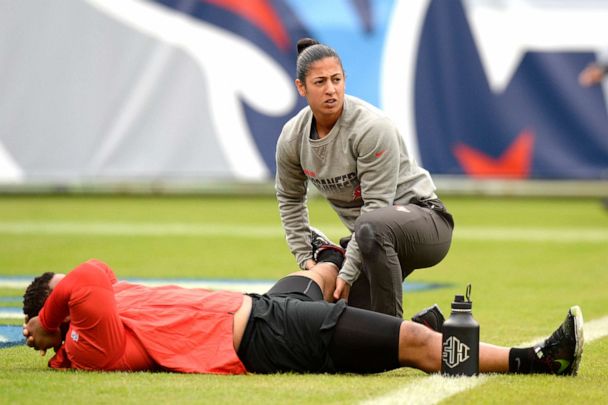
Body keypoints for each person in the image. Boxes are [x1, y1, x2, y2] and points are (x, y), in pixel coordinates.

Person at [22, 258, 584, 376]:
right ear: (56, 321)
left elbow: (94, 275)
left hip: (264, 310)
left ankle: (400, 325)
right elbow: (87, 278)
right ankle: (538, 359)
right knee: (415, 342)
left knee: (322, 267)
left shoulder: (102, 310)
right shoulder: (91, 345)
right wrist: (48, 322)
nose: (65, 290)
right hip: (267, 337)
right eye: (57, 301)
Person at [275, 38, 454, 318]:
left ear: (345, 79)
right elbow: (289, 197)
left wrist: (347, 273)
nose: (331, 89)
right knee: (341, 322)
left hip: (426, 223)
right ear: (301, 88)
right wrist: (305, 258)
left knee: (371, 226)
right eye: (320, 82)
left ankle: (393, 334)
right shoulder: (292, 137)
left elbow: (376, 208)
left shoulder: (371, 127)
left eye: (336, 79)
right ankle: (427, 327)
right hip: (371, 240)